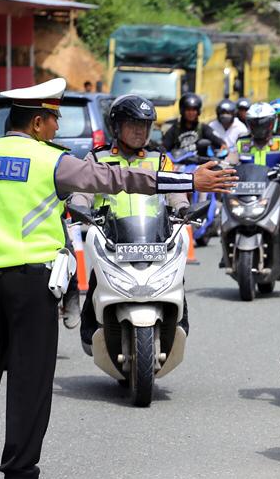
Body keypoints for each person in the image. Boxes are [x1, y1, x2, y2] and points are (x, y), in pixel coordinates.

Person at [0, 78, 236, 479]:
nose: (57, 126)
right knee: (29, 380)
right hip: (32, 283)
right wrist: (186, 181)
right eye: (54, 118)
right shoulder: (50, 161)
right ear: (36, 122)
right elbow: (117, 179)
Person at [70, 94, 190, 353]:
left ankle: (178, 323)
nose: (139, 130)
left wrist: (183, 206)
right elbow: (83, 188)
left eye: (144, 125)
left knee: (176, 278)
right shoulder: (98, 158)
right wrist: (79, 205)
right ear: (116, 126)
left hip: (153, 237)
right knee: (96, 280)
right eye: (132, 124)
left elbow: (175, 189)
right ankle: (90, 330)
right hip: (112, 238)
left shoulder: (158, 159)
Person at [227, 102, 280, 166]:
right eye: (255, 124)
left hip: (274, 179)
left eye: (264, 124)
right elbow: (229, 162)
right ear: (249, 124)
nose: (259, 128)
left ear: (272, 124)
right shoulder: (241, 143)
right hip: (247, 179)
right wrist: (222, 166)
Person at [161, 93, 225, 157]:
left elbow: (218, 140)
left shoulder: (203, 128)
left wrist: (222, 147)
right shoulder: (175, 129)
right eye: (188, 110)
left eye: (194, 110)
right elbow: (164, 148)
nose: (191, 113)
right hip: (180, 164)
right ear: (182, 111)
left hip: (200, 164)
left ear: (198, 111)